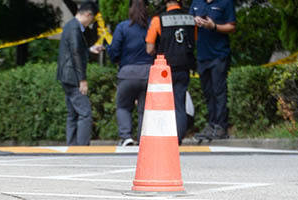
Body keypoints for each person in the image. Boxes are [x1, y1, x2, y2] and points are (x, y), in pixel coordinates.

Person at [146, 1, 195, 143]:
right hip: (184, 66)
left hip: (164, 69)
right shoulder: (190, 18)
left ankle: (163, 137)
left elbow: (149, 48)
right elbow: (194, 39)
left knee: (162, 106)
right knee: (179, 104)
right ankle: (177, 138)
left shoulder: (158, 19)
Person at [106, 0, 153, 146]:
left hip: (127, 73)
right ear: (147, 8)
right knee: (144, 109)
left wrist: (115, 58)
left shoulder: (122, 27)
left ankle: (126, 137)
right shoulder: (153, 25)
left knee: (123, 106)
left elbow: (114, 51)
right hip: (149, 73)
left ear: (130, 10)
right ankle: (142, 138)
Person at [188, 0, 236, 141]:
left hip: (219, 54)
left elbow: (232, 27)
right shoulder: (197, 2)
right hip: (203, 55)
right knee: (208, 92)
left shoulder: (225, 2)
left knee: (219, 91)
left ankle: (221, 127)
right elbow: (189, 19)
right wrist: (194, 20)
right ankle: (212, 125)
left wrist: (213, 26)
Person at [56, 1, 102, 147]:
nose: (91, 23)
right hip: (74, 76)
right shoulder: (76, 28)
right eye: (92, 19)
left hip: (65, 75)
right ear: (88, 14)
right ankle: (82, 148)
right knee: (85, 113)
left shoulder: (70, 26)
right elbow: (75, 53)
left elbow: (74, 51)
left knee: (72, 114)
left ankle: (72, 146)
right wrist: (82, 79)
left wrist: (89, 50)